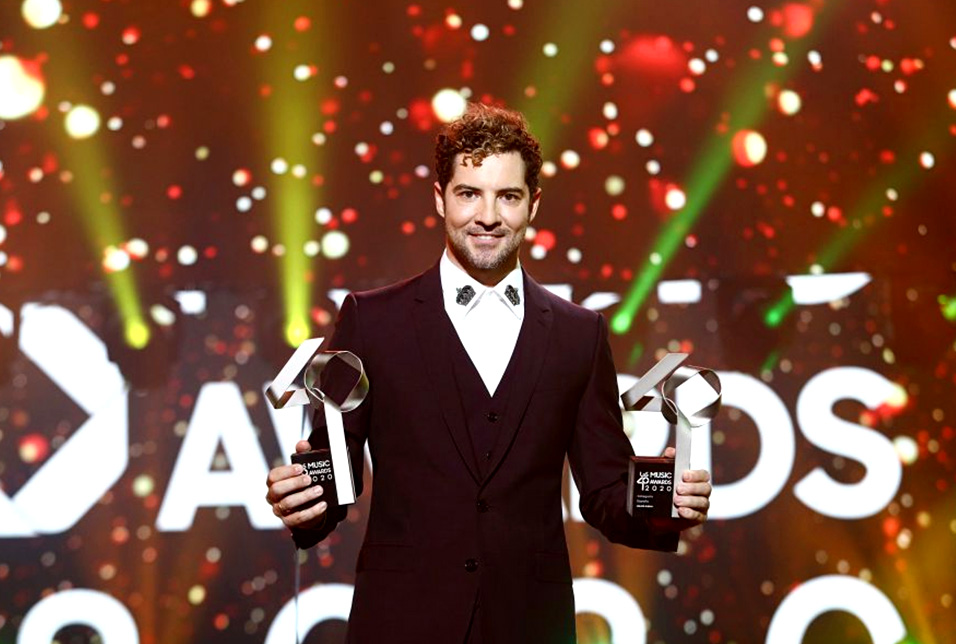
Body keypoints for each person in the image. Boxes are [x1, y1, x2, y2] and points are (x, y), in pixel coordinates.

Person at [264, 102, 712, 643]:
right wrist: (302, 500)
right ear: (440, 198)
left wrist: (664, 503)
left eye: (508, 196)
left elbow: (603, 490)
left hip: (530, 622)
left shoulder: (578, 333)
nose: (488, 216)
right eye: (469, 193)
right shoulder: (372, 320)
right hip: (402, 621)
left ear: (533, 204)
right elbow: (336, 468)